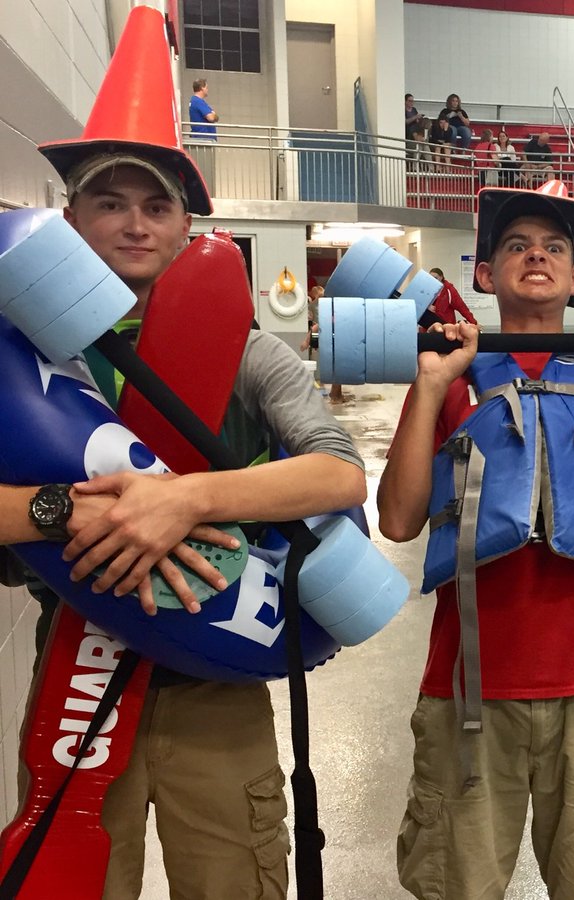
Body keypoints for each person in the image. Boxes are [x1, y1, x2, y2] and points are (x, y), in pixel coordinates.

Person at [6, 9, 368, 896]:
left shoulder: (246, 350)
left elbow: (339, 472)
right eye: (110, 202)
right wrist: (58, 511)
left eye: (156, 206)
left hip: (218, 684)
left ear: (183, 227)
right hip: (77, 674)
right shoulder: (27, 360)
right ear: (72, 217)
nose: (134, 224)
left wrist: (189, 500)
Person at [378, 179, 574, 900]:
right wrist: (429, 389)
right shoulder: (450, 379)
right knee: (459, 885)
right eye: (517, 245)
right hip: (468, 685)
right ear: (485, 274)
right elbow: (397, 521)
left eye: (556, 247)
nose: (538, 256)